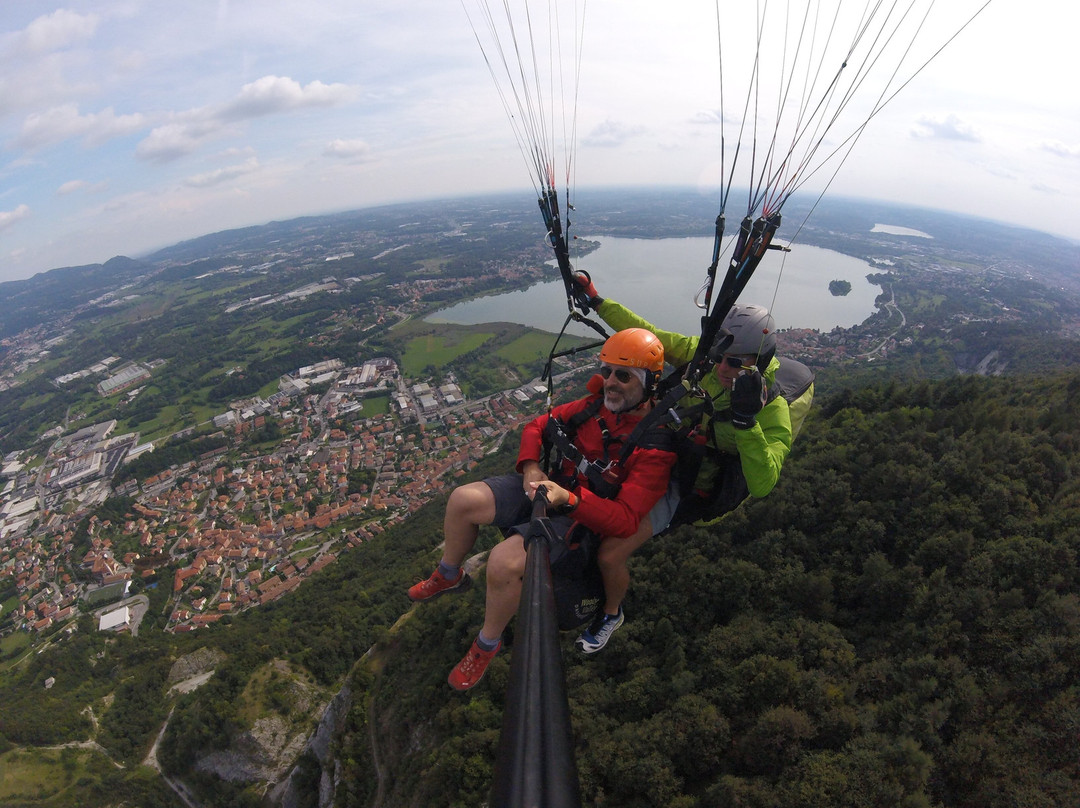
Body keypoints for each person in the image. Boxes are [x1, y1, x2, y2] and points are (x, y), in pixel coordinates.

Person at [408, 328, 677, 689]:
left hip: (580, 516)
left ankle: (486, 644)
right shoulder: (592, 407)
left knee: (503, 563)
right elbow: (538, 425)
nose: (611, 382)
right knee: (462, 500)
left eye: (624, 376)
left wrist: (571, 501)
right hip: (547, 488)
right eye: (607, 371)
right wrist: (531, 466)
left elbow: (626, 521)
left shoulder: (656, 447)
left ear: (650, 383)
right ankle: (449, 573)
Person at [573, 271, 794, 530]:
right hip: (664, 452)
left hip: (693, 485)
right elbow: (650, 335)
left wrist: (746, 423)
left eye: (735, 362)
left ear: (761, 361)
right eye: (720, 356)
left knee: (612, 532)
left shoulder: (773, 410)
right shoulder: (703, 358)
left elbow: (762, 485)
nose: (722, 368)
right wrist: (597, 302)